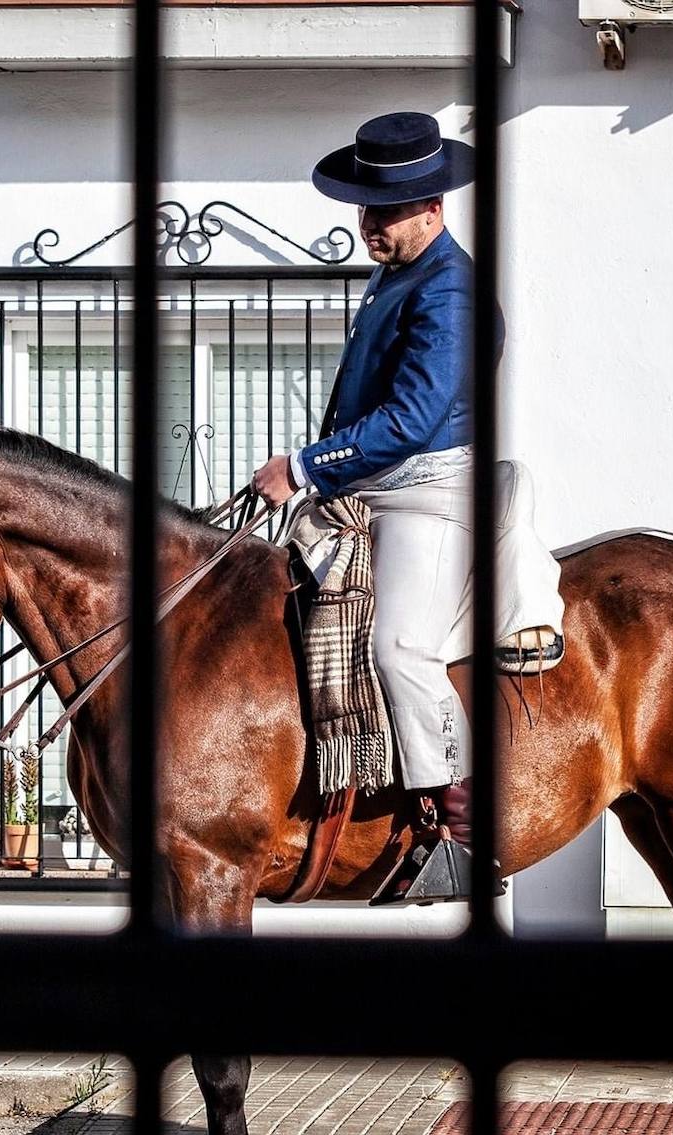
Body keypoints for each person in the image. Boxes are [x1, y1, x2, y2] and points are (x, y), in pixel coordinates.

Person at [251, 110, 502, 891]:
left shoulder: (450, 290)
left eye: (387, 210)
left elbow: (412, 419)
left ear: (433, 208)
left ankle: (463, 837)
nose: (370, 223)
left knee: (400, 647)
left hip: (429, 492)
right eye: (365, 207)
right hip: (373, 486)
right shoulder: (397, 274)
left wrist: (305, 465)